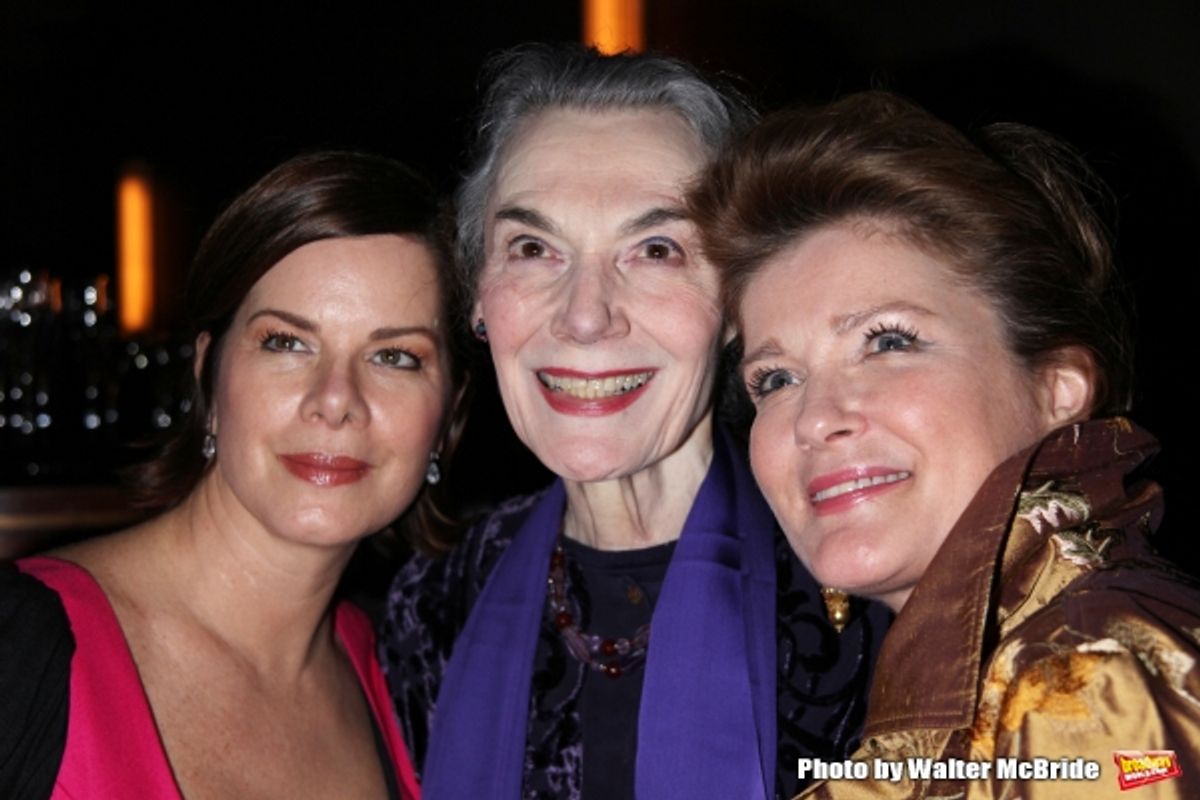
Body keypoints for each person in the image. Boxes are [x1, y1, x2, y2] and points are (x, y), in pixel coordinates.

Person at [378, 44, 889, 800]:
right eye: (532, 248)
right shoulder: (432, 605)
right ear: (479, 297)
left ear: (737, 303)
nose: (585, 316)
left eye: (655, 249)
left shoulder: (859, 588)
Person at [688, 90, 1200, 798]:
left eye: (888, 341)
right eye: (774, 378)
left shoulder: (1085, 682)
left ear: (1058, 389)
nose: (812, 418)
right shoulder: (982, 684)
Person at [0, 151, 467, 799]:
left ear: (448, 418)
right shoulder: (19, 648)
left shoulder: (418, 682)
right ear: (207, 377)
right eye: (286, 342)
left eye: (395, 356)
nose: (335, 400)